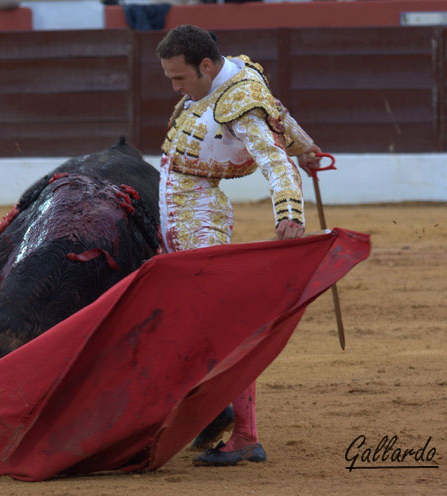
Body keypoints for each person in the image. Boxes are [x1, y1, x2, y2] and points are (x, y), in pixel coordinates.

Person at [156, 24, 322, 466]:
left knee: (218, 323)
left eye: (179, 79)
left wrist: (289, 212)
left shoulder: (237, 100)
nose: (175, 88)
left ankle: (244, 433)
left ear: (205, 65)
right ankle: (214, 417)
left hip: (197, 209)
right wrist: (306, 147)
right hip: (185, 200)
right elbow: (281, 116)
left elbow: (273, 158)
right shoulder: (235, 74)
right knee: (202, 319)